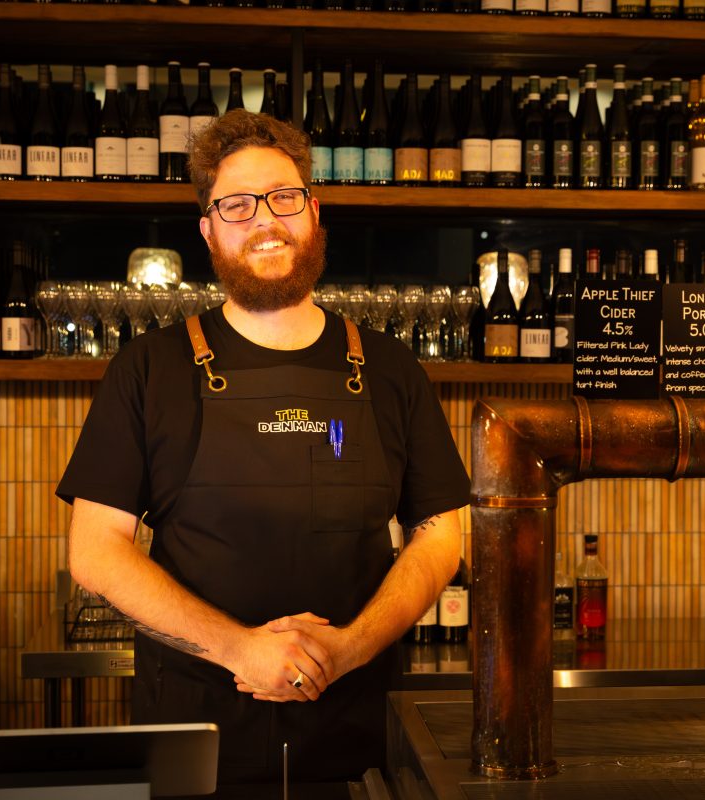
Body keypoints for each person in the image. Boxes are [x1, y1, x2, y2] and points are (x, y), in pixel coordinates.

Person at [57, 109, 469, 787]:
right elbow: (95, 551)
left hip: (358, 733)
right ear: (209, 231)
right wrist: (240, 650)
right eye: (237, 204)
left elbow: (441, 536)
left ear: (313, 210)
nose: (264, 221)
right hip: (197, 733)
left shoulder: (392, 370)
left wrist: (347, 649)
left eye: (283, 198)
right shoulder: (148, 369)